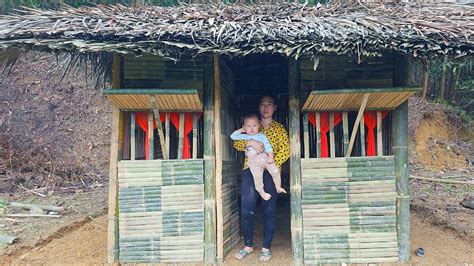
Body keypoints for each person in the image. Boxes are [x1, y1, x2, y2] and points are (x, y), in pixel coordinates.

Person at [233, 95, 290, 262]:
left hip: (270, 170)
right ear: (259, 107)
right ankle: (248, 245)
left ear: (275, 108)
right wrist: (251, 142)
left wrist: (270, 162)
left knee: (269, 209)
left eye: (269, 104)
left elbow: (285, 150)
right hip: (249, 170)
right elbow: (236, 143)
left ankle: (266, 247)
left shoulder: (279, 129)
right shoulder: (250, 127)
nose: (266, 108)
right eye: (263, 104)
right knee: (246, 208)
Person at [230, 114, 286, 201]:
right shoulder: (244, 136)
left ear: (258, 126)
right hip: (253, 163)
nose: (252, 128)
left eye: (254, 126)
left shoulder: (262, 136)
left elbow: (268, 147)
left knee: (275, 171)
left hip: (266, 160)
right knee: (257, 179)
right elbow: (233, 137)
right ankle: (262, 192)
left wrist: (271, 158)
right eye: (248, 126)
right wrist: (243, 132)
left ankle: (278, 186)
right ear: (245, 127)